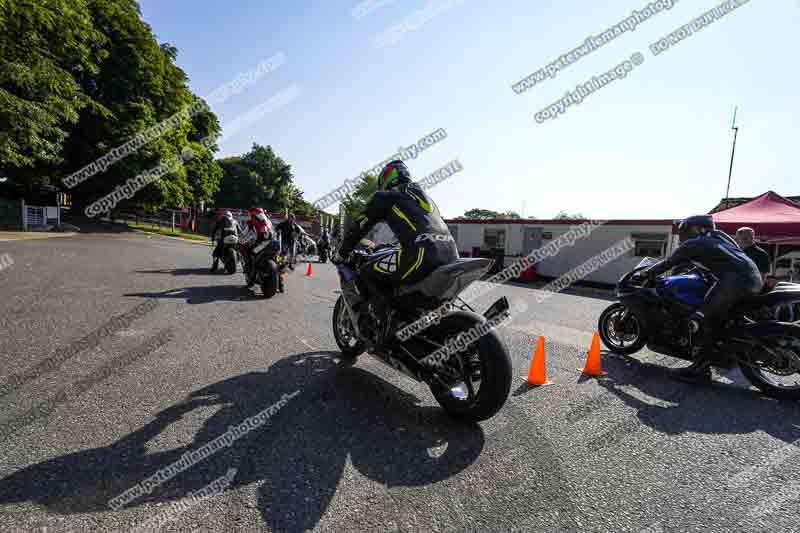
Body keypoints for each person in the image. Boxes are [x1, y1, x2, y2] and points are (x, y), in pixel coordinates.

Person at [332, 160, 459, 329]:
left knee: (366, 270)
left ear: (386, 178)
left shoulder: (385, 197)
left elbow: (360, 226)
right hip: (451, 257)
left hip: (421, 256)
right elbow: (419, 230)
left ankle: (386, 326)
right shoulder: (426, 199)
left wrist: (342, 252)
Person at [639, 215, 763, 384]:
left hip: (734, 282)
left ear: (697, 228)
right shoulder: (721, 238)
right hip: (754, 281)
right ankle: (724, 352)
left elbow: (670, 262)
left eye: (685, 231)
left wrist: (646, 273)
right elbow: (718, 262)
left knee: (702, 319)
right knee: (722, 320)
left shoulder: (695, 242)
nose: (683, 236)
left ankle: (700, 370)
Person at [241, 208, 274, 286]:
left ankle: (251, 277)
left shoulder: (252, 223)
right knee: (276, 259)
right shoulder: (268, 222)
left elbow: (245, 235)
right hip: (271, 244)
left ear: (253, 215)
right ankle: (280, 281)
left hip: (260, 245)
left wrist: (241, 241)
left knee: (250, 254)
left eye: (251, 215)